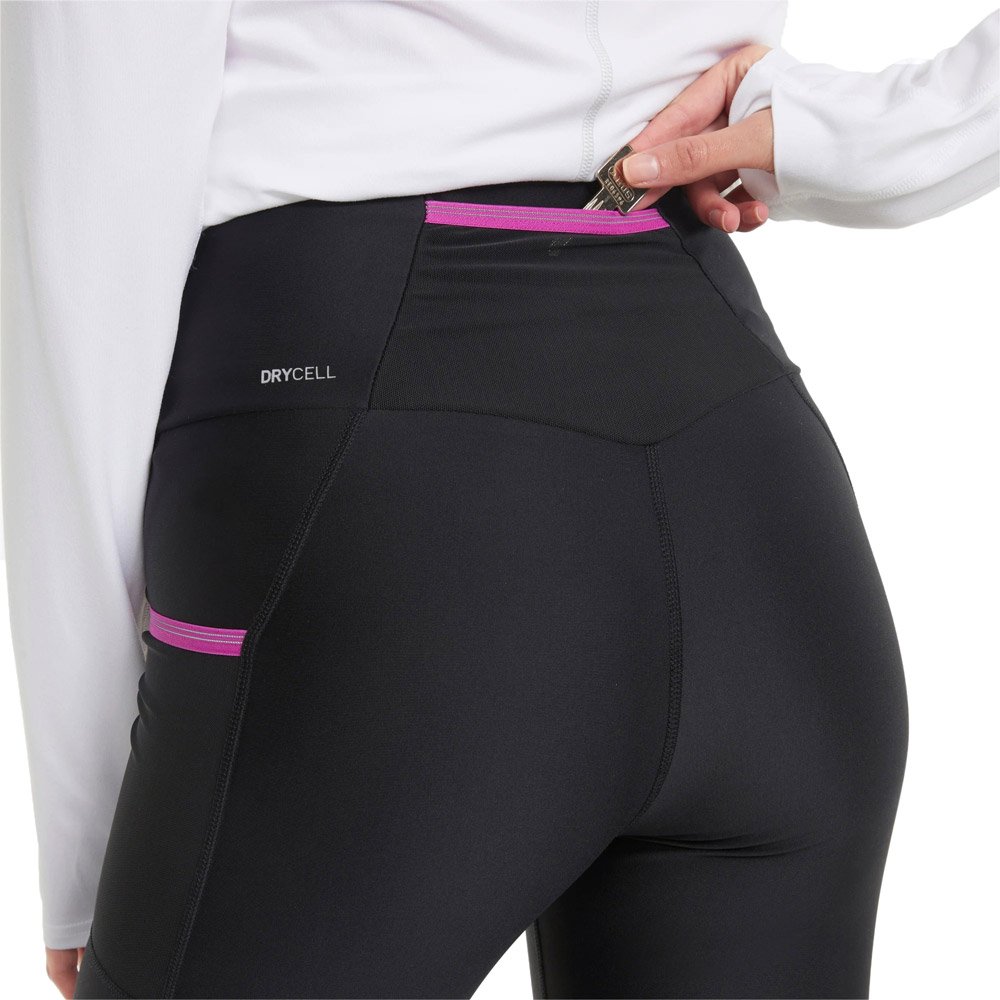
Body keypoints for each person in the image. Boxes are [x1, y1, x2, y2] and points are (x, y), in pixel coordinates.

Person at [1, 2, 996, 998]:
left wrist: (84, 847)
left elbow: (85, 214)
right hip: (750, 495)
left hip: (373, 487)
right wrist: (854, 135)